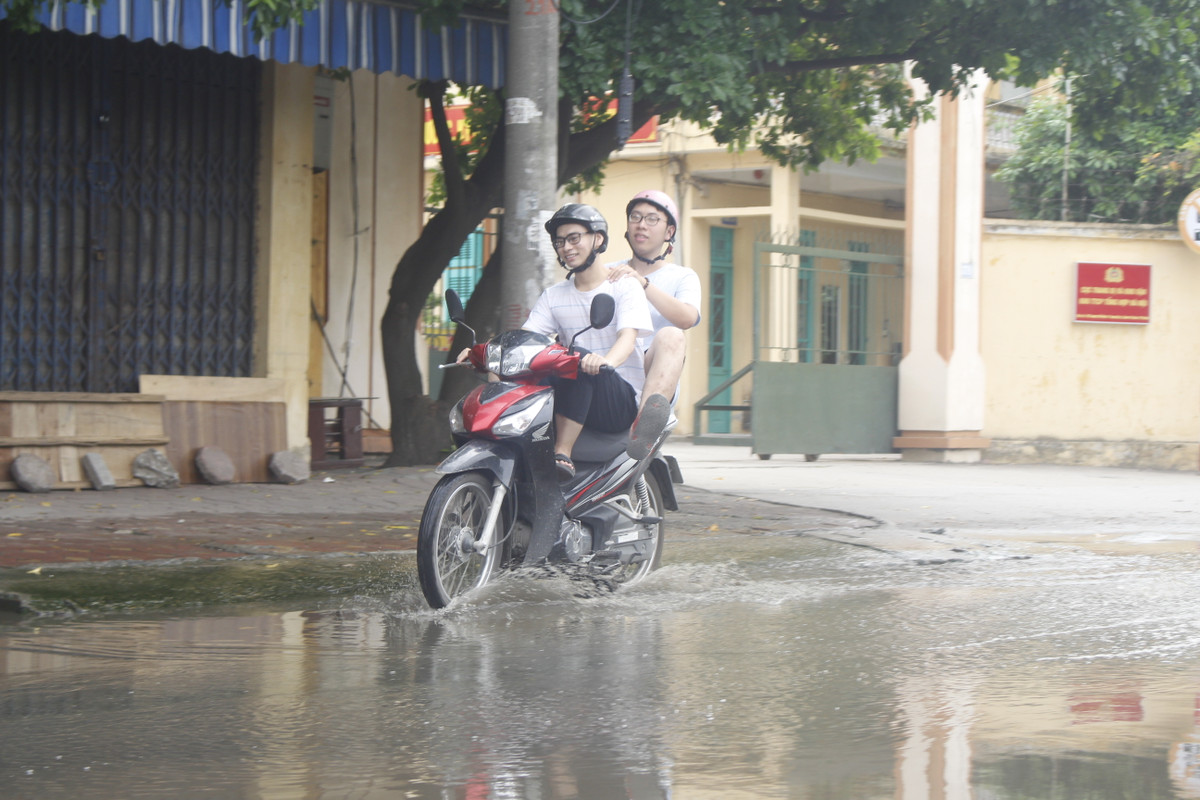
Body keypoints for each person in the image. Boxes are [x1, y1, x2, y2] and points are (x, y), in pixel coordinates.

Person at [519, 204, 668, 479]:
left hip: (617, 400)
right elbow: (529, 339)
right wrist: (488, 353)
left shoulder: (623, 286)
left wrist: (605, 362)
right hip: (575, 393)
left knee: (574, 356)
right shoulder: (553, 295)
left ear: (597, 239)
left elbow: (627, 337)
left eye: (574, 238)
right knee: (543, 365)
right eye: (560, 241)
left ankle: (562, 452)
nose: (566, 247)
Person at [606, 189, 702, 430]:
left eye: (652, 219)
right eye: (635, 217)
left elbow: (688, 318)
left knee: (671, 335)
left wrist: (643, 283)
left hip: (652, 371)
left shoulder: (682, 276)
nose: (641, 225)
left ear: (669, 232)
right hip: (610, 369)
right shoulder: (607, 272)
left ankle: (644, 427)